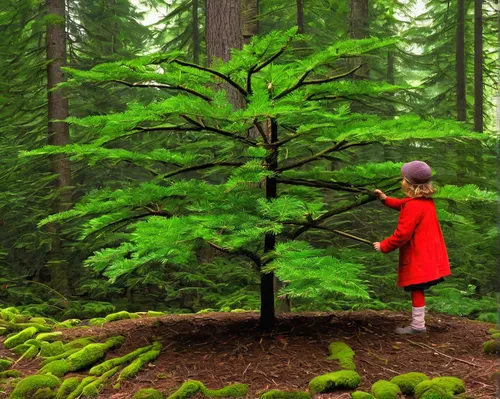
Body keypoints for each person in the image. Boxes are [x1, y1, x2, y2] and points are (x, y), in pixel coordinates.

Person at [373, 160, 450, 334]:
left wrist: (383, 246)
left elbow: (402, 234)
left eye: (403, 178)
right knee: (417, 287)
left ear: (409, 184)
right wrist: (385, 200)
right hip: (429, 253)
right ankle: (418, 324)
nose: (402, 181)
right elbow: (403, 205)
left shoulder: (413, 206)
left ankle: (417, 326)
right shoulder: (424, 201)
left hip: (419, 255)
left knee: (417, 287)